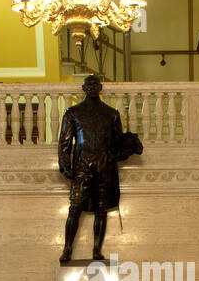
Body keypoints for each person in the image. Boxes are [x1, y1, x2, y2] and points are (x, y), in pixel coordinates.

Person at [57, 74, 142, 262]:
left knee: (101, 210)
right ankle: (67, 248)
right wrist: (65, 165)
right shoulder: (73, 112)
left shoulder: (111, 114)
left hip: (104, 167)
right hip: (81, 166)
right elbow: (64, 143)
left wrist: (129, 144)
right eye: (89, 84)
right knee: (75, 208)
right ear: (84, 88)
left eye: (96, 84)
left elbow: (117, 141)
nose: (93, 87)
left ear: (101, 87)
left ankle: (97, 249)